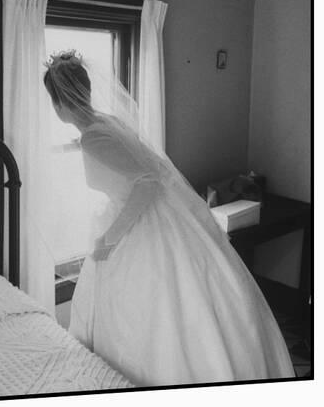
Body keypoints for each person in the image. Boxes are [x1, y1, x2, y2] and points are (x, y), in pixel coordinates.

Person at [43, 50, 295, 387]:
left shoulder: (94, 137)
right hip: (154, 215)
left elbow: (145, 185)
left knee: (154, 308)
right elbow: (136, 166)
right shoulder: (104, 121)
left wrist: (111, 238)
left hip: (139, 223)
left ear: (59, 103)